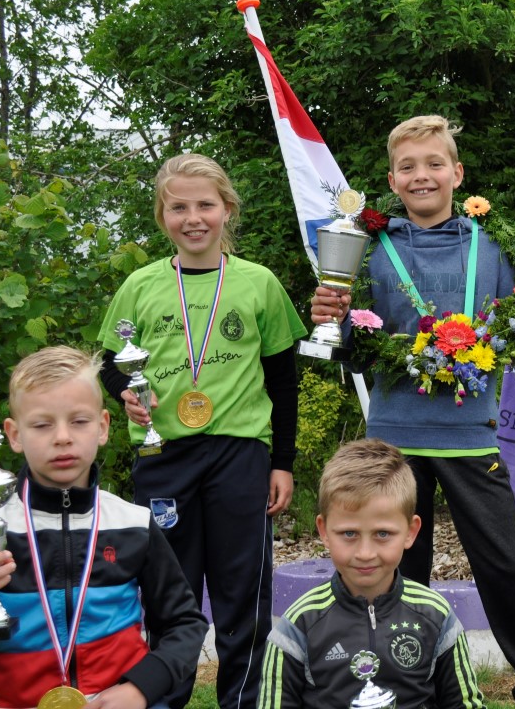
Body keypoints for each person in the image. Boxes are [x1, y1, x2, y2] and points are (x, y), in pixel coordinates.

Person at [310, 115, 515, 709]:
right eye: (408, 166)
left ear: (457, 173)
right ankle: (401, 689)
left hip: (470, 432)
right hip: (394, 439)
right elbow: (349, 344)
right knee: (402, 573)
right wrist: (331, 314)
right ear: (392, 179)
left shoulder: (497, 244)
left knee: (504, 568)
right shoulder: (367, 248)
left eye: (434, 164)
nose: (421, 175)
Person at [97, 153, 307, 709]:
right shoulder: (139, 287)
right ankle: (166, 698)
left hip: (241, 453)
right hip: (164, 455)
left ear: (227, 210)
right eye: (179, 206)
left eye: (205, 205)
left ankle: (244, 700)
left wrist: (281, 462)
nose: (194, 218)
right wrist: (124, 390)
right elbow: (109, 363)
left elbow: (283, 382)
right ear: (162, 215)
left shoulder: (258, 283)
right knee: (171, 591)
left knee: (243, 588)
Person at [0, 346, 209, 709]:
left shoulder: (133, 523)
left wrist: (141, 688)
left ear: (103, 426)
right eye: (42, 424)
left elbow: (185, 624)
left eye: (79, 421)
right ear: (14, 435)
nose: (62, 437)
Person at [258, 438, 485, 708]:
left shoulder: (436, 616)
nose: (365, 552)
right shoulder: (298, 625)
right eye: (349, 533)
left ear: (411, 532)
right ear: (324, 531)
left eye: (382, 534)